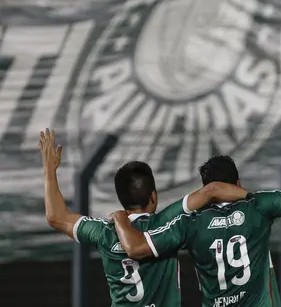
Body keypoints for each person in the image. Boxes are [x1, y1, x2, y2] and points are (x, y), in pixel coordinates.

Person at [111, 117, 281, 307]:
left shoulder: (189, 224)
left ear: (205, 189)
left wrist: (120, 218)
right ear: (238, 184)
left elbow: (136, 248)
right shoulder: (259, 206)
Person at [39, 128, 250, 307]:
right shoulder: (168, 222)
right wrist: (255, 199)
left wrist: (50, 170)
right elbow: (209, 192)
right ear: (154, 196)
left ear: (121, 199)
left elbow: (56, 217)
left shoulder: (103, 231)